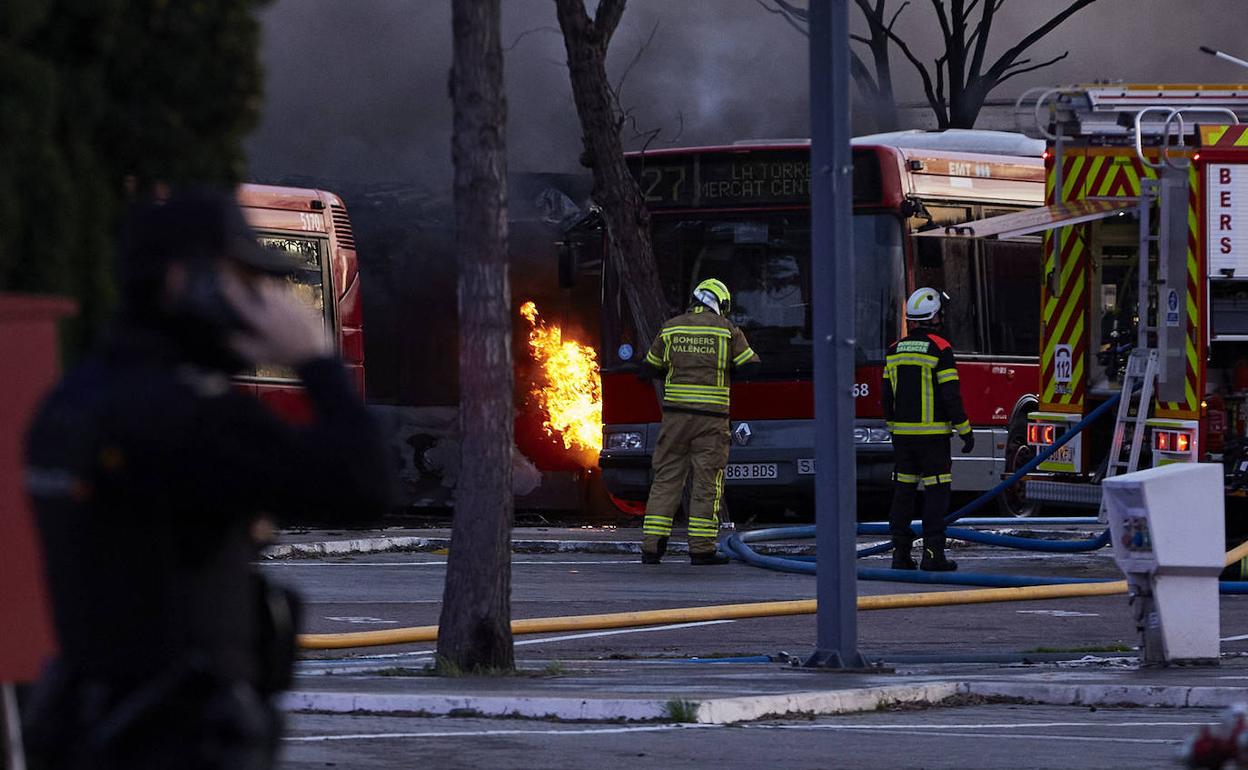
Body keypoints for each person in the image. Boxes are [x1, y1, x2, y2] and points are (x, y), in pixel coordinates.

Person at [22, 190, 392, 769]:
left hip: (85, 725)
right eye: (242, 283)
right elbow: (367, 485)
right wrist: (317, 361)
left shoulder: (69, 404)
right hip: (179, 736)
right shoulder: (191, 415)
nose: (259, 302)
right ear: (180, 282)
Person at [639, 278, 759, 566]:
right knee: (707, 482)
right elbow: (750, 366)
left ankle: (652, 547)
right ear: (721, 304)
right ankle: (702, 549)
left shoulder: (671, 327)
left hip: (675, 419)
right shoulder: (728, 331)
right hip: (711, 421)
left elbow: (648, 368)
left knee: (666, 479)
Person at [881, 287, 973, 572]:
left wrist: (893, 428)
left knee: (903, 493)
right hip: (933, 439)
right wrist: (965, 430)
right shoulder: (940, 349)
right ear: (933, 316)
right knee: (936, 494)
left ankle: (900, 554)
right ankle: (933, 555)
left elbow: (886, 397)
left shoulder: (894, 350)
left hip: (903, 438)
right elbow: (950, 395)